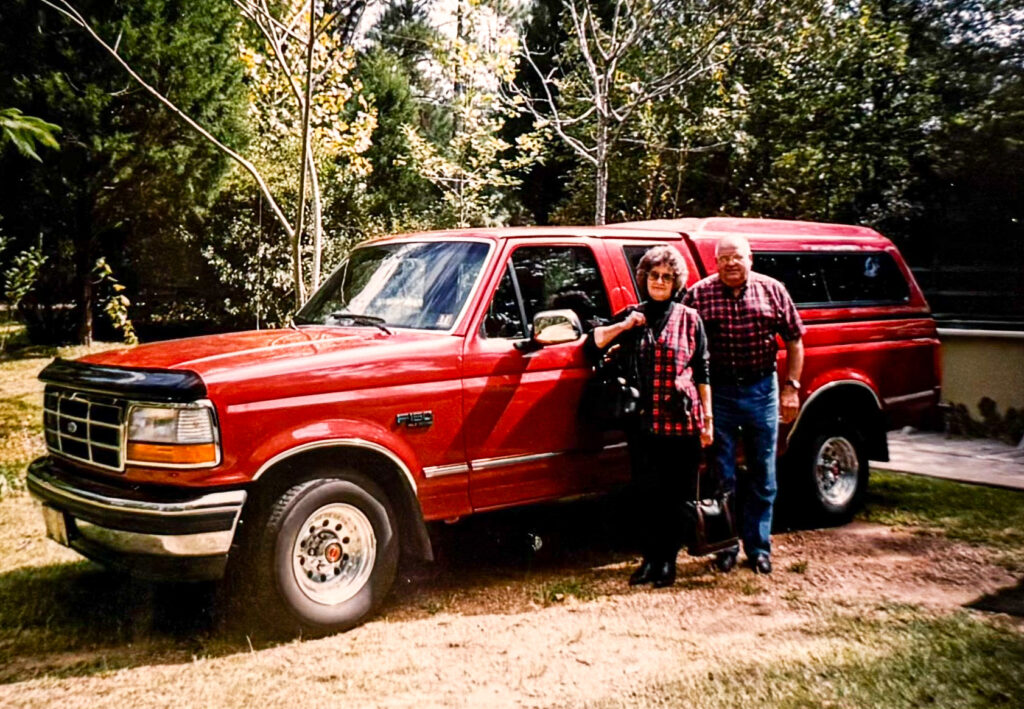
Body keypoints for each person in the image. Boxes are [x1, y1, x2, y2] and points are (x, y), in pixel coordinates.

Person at [588, 246, 713, 588]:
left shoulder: (691, 318)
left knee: (677, 496)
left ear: (676, 282)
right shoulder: (634, 315)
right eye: (654, 275)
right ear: (644, 278)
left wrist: (708, 420)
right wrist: (625, 325)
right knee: (647, 495)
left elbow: (703, 371)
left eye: (667, 277)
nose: (659, 281)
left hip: (682, 420)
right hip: (644, 424)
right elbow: (594, 342)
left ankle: (668, 563)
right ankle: (650, 561)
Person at [685, 234, 805, 575]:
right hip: (719, 392)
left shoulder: (773, 290)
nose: (731, 264)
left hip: (761, 389)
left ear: (750, 258)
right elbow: (686, 345)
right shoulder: (699, 294)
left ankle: (759, 548)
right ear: (716, 263)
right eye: (724, 258)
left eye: (736, 257)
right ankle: (725, 546)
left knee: (763, 472)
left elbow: (795, 341)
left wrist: (791, 388)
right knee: (722, 474)